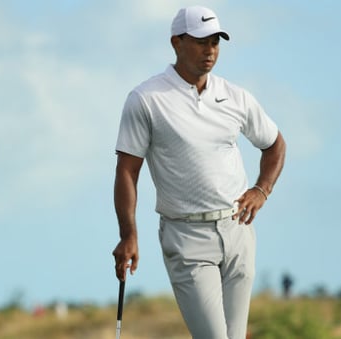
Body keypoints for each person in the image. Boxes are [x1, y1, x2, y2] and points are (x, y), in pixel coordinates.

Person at [111, 5, 286, 338]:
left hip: (237, 231)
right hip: (187, 237)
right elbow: (126, 171)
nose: (211, 50)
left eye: (216, 42)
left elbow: (275, 145)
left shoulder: (236, 97)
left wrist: (262, 189)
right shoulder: (146, 99)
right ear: (177, 42)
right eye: (202, 41)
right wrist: (128, 234)